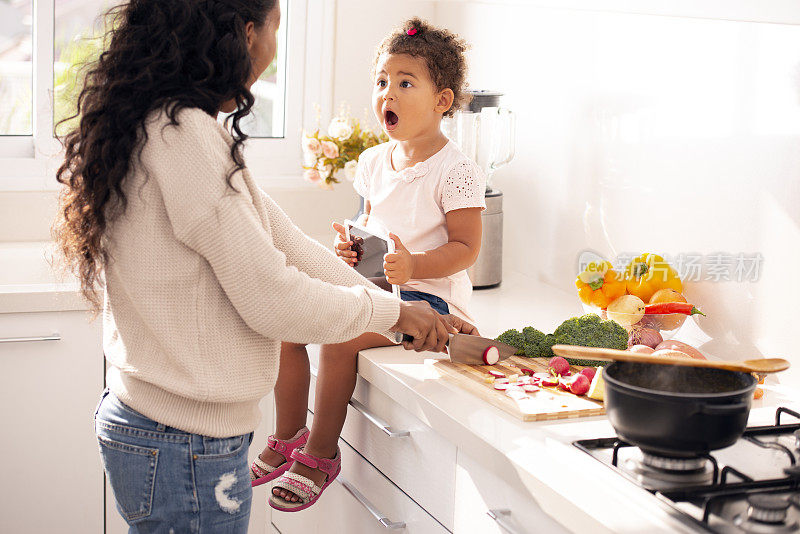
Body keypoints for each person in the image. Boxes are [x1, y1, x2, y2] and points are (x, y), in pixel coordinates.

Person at [52, 2, 474, 531]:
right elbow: (274, 298)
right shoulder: (185, 136)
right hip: (184, 444)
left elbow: (288, 245)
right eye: (276, 29)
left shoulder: (169, 124)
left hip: (161, 430)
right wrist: (391, 313)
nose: (274, 52)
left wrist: (399, 308)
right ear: (246, 35)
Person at [261, 18, 485, 511]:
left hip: (428, 300)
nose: (389, 94)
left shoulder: (455, 168)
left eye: (406, 83)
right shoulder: (373, 161)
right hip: (379, 290)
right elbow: (369, 222)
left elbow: (468, 248)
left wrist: (416, 265)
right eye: (382, 82)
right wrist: (351, 248)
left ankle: (320, 455)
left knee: (340, 336)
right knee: (288, 324)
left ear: (442, 101)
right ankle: (289, 434)